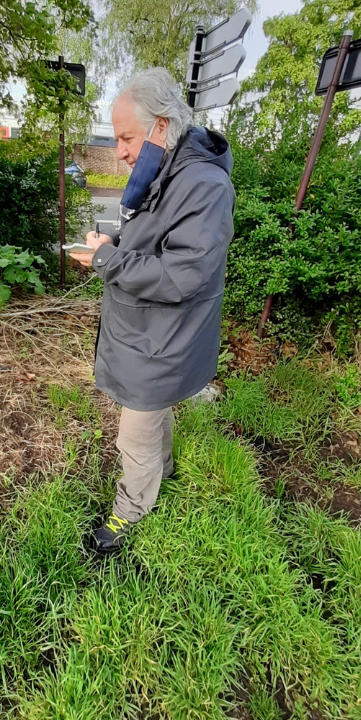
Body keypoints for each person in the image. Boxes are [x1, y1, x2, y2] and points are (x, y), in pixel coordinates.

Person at [67, 68, 234, 554]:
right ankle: (162, 469)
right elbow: (158, 241)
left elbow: (183, 274)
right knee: (152, 411)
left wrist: (107, 258)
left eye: (126, 137)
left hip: (163, 336)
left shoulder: (200, 183)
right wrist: (114, 245)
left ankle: (130, 512)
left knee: (134, 430)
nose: (119, 151)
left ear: (161, 127)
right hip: (151, 330)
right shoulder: (170, 167)